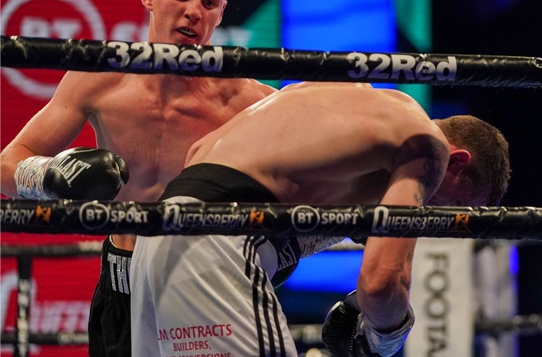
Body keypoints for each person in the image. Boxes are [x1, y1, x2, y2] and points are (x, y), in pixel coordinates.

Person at [0, 0, 276, 356]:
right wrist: (51, 175)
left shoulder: (247, 103)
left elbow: (311, 181)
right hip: (121, 284)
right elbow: (8, 163)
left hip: (203, 286)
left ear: (222, 11)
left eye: (209, 2)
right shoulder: (99, 78)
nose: (192, 13)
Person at [130, 81, 511, 357]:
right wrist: (387, 337)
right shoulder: (428, 147)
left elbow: (199, 154)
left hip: (156, 245)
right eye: (447, 208)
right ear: (456, 162)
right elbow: (380, 284)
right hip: (217, 241)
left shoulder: (339, 101)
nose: (430, 218)